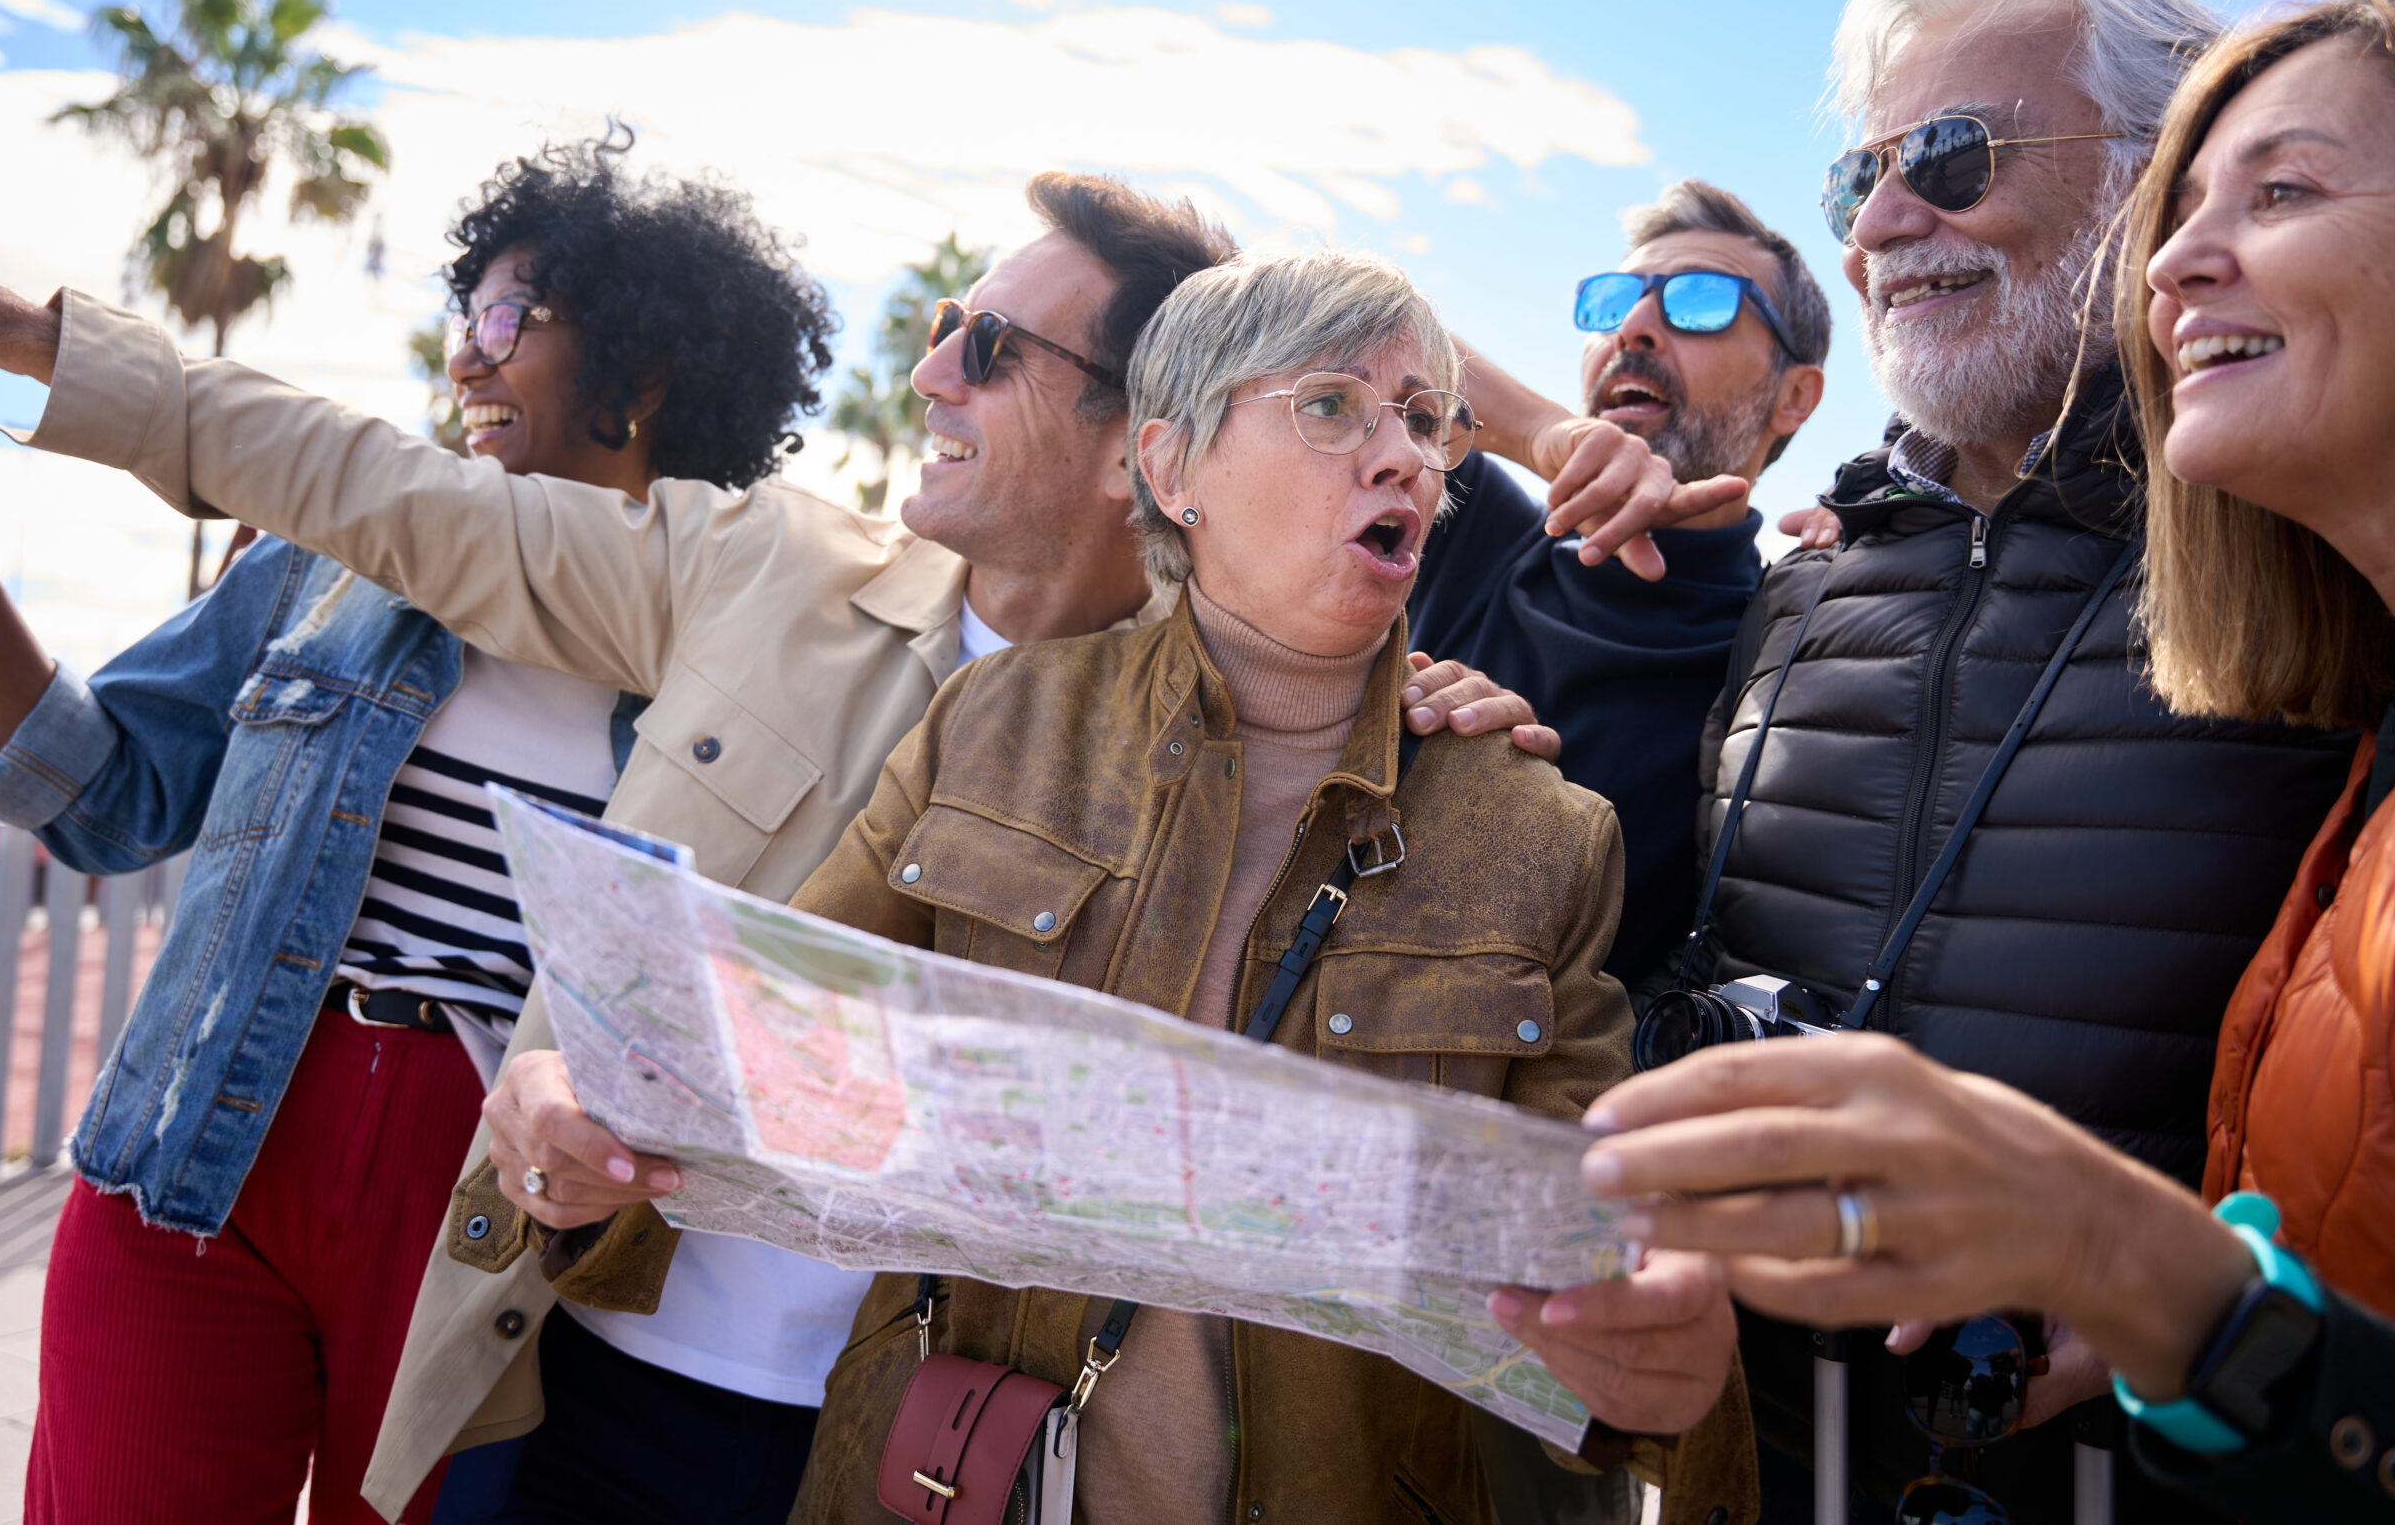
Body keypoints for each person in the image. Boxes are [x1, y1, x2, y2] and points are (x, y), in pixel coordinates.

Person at [0, 174, 1606, 1521]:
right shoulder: (765, 567)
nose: (930, 369)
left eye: (989, 345)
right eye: (939, 323)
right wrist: (24, 336)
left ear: (1140, 436)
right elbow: (375, 486)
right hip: (574, 1376)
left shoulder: (1262, 721)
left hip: (903, 1441)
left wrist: (1436, 660)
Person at [513, 246, 1762, 1525]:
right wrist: (579, 1108)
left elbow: (1600, 1294)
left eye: (1427, 423)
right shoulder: (988, 722)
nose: (1405, 457)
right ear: (1169, 470)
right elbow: (755, 1042)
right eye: (1331, 405)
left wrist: (1657, 1371)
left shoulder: (1541, 832)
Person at [0, 136, 833, 1524]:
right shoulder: (328, 563)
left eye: (507, 319)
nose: (467, 362)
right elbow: (110, 798)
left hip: (483, 1231)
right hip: (201, 1159)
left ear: (651, 369)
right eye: (462, 321)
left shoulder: (744, 653)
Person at [1666, 0, 2361, 1522]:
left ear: (2149, 178)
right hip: (1758, 1456)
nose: (1888, 226)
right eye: (1859, 185)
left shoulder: (2308, 562)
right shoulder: (1798, 586)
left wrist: (2194, 1276)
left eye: (1953, 159)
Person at [1411, 177, 1830, 996]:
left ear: (1795, 396)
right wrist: (1538, 430)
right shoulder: (1476, 533)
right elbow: (1342, 329)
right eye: (1614, 303)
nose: (1635, 327)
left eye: (1702, 302)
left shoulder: (1794, 644)